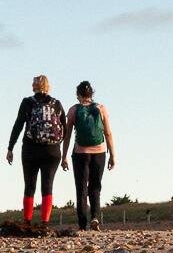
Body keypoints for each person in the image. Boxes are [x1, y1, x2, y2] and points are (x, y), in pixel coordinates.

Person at [7, 75, 65, 223]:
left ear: (36, 86)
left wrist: (10, 147)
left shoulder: (28, 102)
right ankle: (44, 223)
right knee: (47, 186)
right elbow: (64, 128)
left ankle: (27, 221)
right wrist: (56, 144)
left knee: (29, 185)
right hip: (52, 151)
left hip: (31, 149)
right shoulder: (56, 104)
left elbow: (18, 125)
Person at [61, 80, 115, 230]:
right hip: (100, 152)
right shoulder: (101, 108)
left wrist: (64, 156)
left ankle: (82, 224)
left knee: (81, 188)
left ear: (78, 95)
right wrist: (112, 155)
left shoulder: (73, 110)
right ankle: (95, 218)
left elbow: (67, 135)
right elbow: (108, 133)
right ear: (91, 94)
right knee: (95, 187)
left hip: (80, 153)